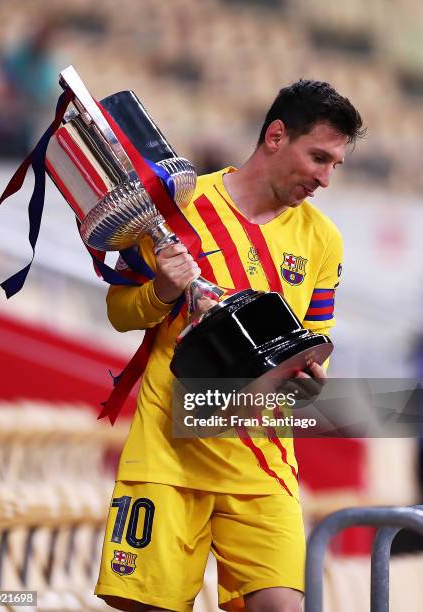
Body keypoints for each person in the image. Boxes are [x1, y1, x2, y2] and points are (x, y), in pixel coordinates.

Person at [95, 80, 364, 612]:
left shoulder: (323, 240)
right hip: (170, 454)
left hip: (262, 462)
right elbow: (119, 312)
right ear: (276, 135)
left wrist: (309, 379)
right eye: (318, 158)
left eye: (336, 164)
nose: (325, 178)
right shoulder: (180, 207)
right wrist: (161, 292)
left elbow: (313, 340)